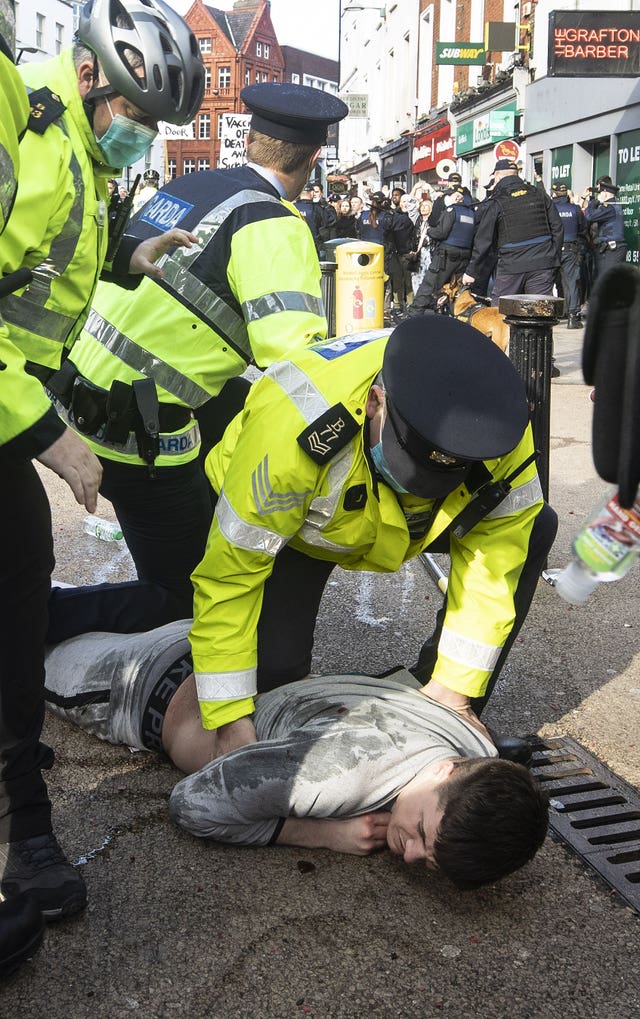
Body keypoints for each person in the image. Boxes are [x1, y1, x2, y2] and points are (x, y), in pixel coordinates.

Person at [0, 0, 204, 924]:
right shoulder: (23, 130)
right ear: (90, 79)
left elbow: (45, 265)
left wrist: (134, 255)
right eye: (139, 115)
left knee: (18, 583)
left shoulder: (80, 144)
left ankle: (24, 819)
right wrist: (52, 434)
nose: (144, 137)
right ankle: (28, 824)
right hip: (11, 406)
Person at [45, 82, 349, 644]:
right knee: (181, 594)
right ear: (313, 158)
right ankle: (34, 620)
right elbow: (297, 362)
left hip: (75, 398)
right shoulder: (275, 224)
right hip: (137, 433)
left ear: (252, 140)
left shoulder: (188, 183)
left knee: (232, 409)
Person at [185, 317, 557, 752]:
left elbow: (494, 567)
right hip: (297, 530)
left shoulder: (493, 423)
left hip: (409, 526)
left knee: (536, 528)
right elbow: (232, 576)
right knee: (270, 677)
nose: (417, 488)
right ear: (375, 401)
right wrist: (229, 717)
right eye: (410, 468)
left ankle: (434, 701)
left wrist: (456, 694)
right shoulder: (292, 430)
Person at [43, 622, 549, 888]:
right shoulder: (334, 774)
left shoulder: (476, 751)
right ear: (443, 770)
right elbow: (192, 803)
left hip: (227, 644)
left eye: (429, 862)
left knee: (64, 609)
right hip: (139, 686)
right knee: (26, 651)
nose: (411, 854)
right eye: (421, 833)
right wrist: (320, 834)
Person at [462, 159, 563, 306]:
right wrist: (553, 257)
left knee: (501, 316)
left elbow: (483, 240)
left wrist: (471, 272)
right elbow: (557, 227)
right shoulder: (539, 194)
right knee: (540, 314)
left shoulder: (496, 200)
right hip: (543, 263)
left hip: (511, 266)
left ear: (497, 177)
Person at [408, 186, 476, 317]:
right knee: (453, 290)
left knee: (428, 287)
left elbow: (441, 232)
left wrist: (428, 230)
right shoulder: (471, 214)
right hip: (464, 257)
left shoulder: (452, 210)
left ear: (456, 197)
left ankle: (412, 318)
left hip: (445, 256)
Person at [551, 182, 587, 329]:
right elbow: (583, 229)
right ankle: (573, 317)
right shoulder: (575, 209)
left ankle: (549, 314)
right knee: (572, 282)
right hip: (571, 249)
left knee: (546, 282)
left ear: (553, 194)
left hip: (552, 249)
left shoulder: (550, 208)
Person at [583, 179, 627, 280]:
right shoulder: (613, 206)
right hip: (612, 248)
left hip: (611, 250)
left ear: (605, 194)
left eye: (599, 193)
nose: (599, 195)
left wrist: (591, 203)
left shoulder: (608, 207)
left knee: (607, 280)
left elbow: (590, 217)